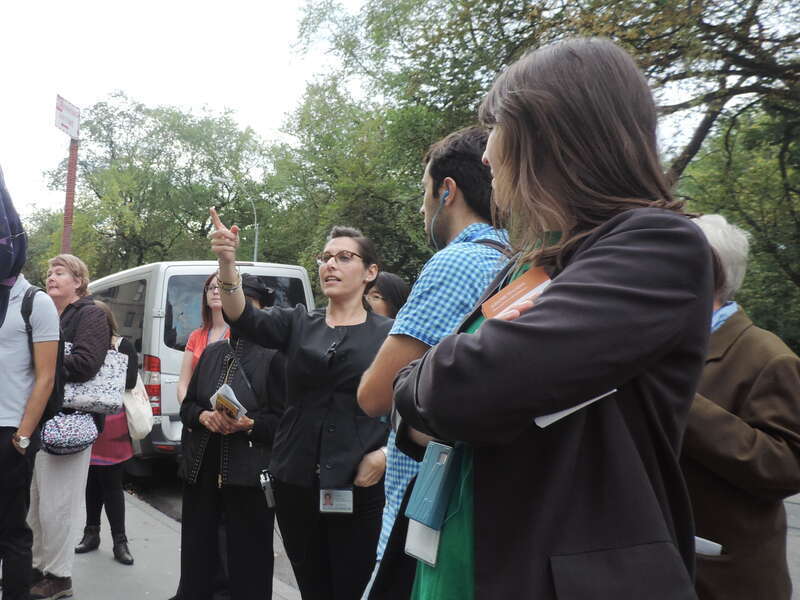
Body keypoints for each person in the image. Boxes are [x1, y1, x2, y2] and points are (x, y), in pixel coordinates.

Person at [393, 38, 715, 599]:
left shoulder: (658, 247)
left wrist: (439, 391)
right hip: (460, 561)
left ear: (550, 134)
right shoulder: (535, 263)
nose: (487, 156)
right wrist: (438, 392)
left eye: (498, 129)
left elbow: (462, 385)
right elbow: (427, 403)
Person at [357, 127, 510, 599]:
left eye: (424, 193)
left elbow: (374, 395)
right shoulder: (515, 259)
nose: (422, 208)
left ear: (448, 192)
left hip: (424, 504)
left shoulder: (454, 263)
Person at [209, 215, 391, 600]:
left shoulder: (390, 335)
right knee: (312, 585)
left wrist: (387, 454)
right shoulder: (298, 323)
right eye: (325, 258)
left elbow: (412, 402)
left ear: (370, 271)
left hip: (358, 482)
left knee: (352, 587)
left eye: (344, 257)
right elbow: (242, 315)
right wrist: (227, 262)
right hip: (295, 481)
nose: (330, 265)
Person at [681, 214, 800, 600]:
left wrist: (680, 399)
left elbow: (785, 469)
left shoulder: (769, 358)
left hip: (725, 581)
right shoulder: (666, 343)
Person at [177, 273, 286, 600]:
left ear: (261, 309)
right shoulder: (211, 353)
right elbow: (187, 407)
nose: (235, 310)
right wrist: (203, 416)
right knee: (199, 557)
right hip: (201, 474)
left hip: (249, 478)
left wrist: (248, 424)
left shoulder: (275, 357)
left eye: (244, 303)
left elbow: (285, 423)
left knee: (246, 564)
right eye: (229, 302)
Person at [29, 254, 110, 600]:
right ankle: (35, 568)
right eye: (49, 272)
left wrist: (42, 361)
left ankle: (60, 577)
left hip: (70, 424)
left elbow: (87, 363)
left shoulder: (91, 314)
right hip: (43, 420)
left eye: (59, 272)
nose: (50, 277)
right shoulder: (49, 314)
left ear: (78, 281)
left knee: (58, 506)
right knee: (35, 504)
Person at [0, 168, 59, 600]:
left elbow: (47, 375)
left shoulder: (35, 302)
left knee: (10, 531)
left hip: (8, 432)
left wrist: (23, 436)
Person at [73, 300, 138, 565]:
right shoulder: (81, 344)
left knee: (112, 485)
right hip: (87, 420)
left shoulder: (123, 346)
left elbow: (131, 381)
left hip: (112, 423)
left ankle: (120, 541)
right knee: (90, 482)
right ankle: (91, 534)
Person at [176, 272, 230, 403]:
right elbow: (183, 384)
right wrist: (190, 411)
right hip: (196, 414)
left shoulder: (239, 334)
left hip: (226, 414)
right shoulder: (195, 336)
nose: (216, 291)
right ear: (205, 297)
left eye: (221, 287)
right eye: (211, 288)